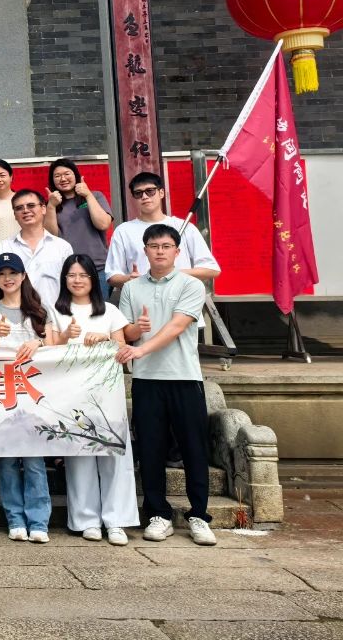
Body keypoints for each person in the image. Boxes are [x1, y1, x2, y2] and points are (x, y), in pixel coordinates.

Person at [115, 224, 216, 547]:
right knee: (150, 448)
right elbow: (126, 332)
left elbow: (177, 326)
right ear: (145, 250)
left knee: (193, 448)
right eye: (154, 246)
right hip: (146, 380)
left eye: (166, 246)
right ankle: (158, 513)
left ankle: (199, 515)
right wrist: (136, 329)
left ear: (177, 251)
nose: (159, 251)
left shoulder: (191, 285)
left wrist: (141, 348)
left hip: (184, 377)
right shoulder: (131, 288)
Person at [52, 253, 138, 546]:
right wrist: (66, 335)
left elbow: (122, 348)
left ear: (93, 279)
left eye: (83, 275)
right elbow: (48, 349)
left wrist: (104, 339)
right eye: (71, 275)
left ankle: (117, 520)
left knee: (114, 454)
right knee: (80, 455)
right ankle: (86, 519)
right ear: (64, 279)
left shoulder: (110, 311)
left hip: (106, 393)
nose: (77, 281)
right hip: (72, 393)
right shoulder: (56, 310)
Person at [0, 253, 57, 544]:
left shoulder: (40, 309)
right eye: (1, 273)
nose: (7, 278)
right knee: (8, 460)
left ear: (23, 276)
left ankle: (39, 521)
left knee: (35, 460)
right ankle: (15, 518)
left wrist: (38, 342)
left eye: (13, 273)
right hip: (3, 392)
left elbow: (52, 346)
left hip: (34, 393)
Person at [105, 172, 221, 290]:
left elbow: (211, 269)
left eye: (150, 191)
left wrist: (172, 274)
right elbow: (112, 275)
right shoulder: (123, 231)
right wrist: (132, 279)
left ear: (161, 193)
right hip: (142, 296)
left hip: (180, 295)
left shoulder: (185, 227)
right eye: (138, 193)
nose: (144, 197)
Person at [0, 189, 74, 309]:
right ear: (15, 215)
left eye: (31, 205)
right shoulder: (4, 247)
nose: (25, 210)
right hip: (18, 317)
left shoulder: (62, 246)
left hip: (56, 315)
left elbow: (73, 285)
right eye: (19, 208)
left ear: (43, 209)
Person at [43, 158, 114, 297]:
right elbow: (51, 237)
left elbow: (103, 224)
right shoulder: (50, 205)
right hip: (67, 270)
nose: (63, 179)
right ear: (52, 181)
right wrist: (51, 206)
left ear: (75, 175)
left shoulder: (95, 196)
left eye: (67, 174)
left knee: (99, 308)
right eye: (57, 176)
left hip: (97, 268)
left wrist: (87, 195)